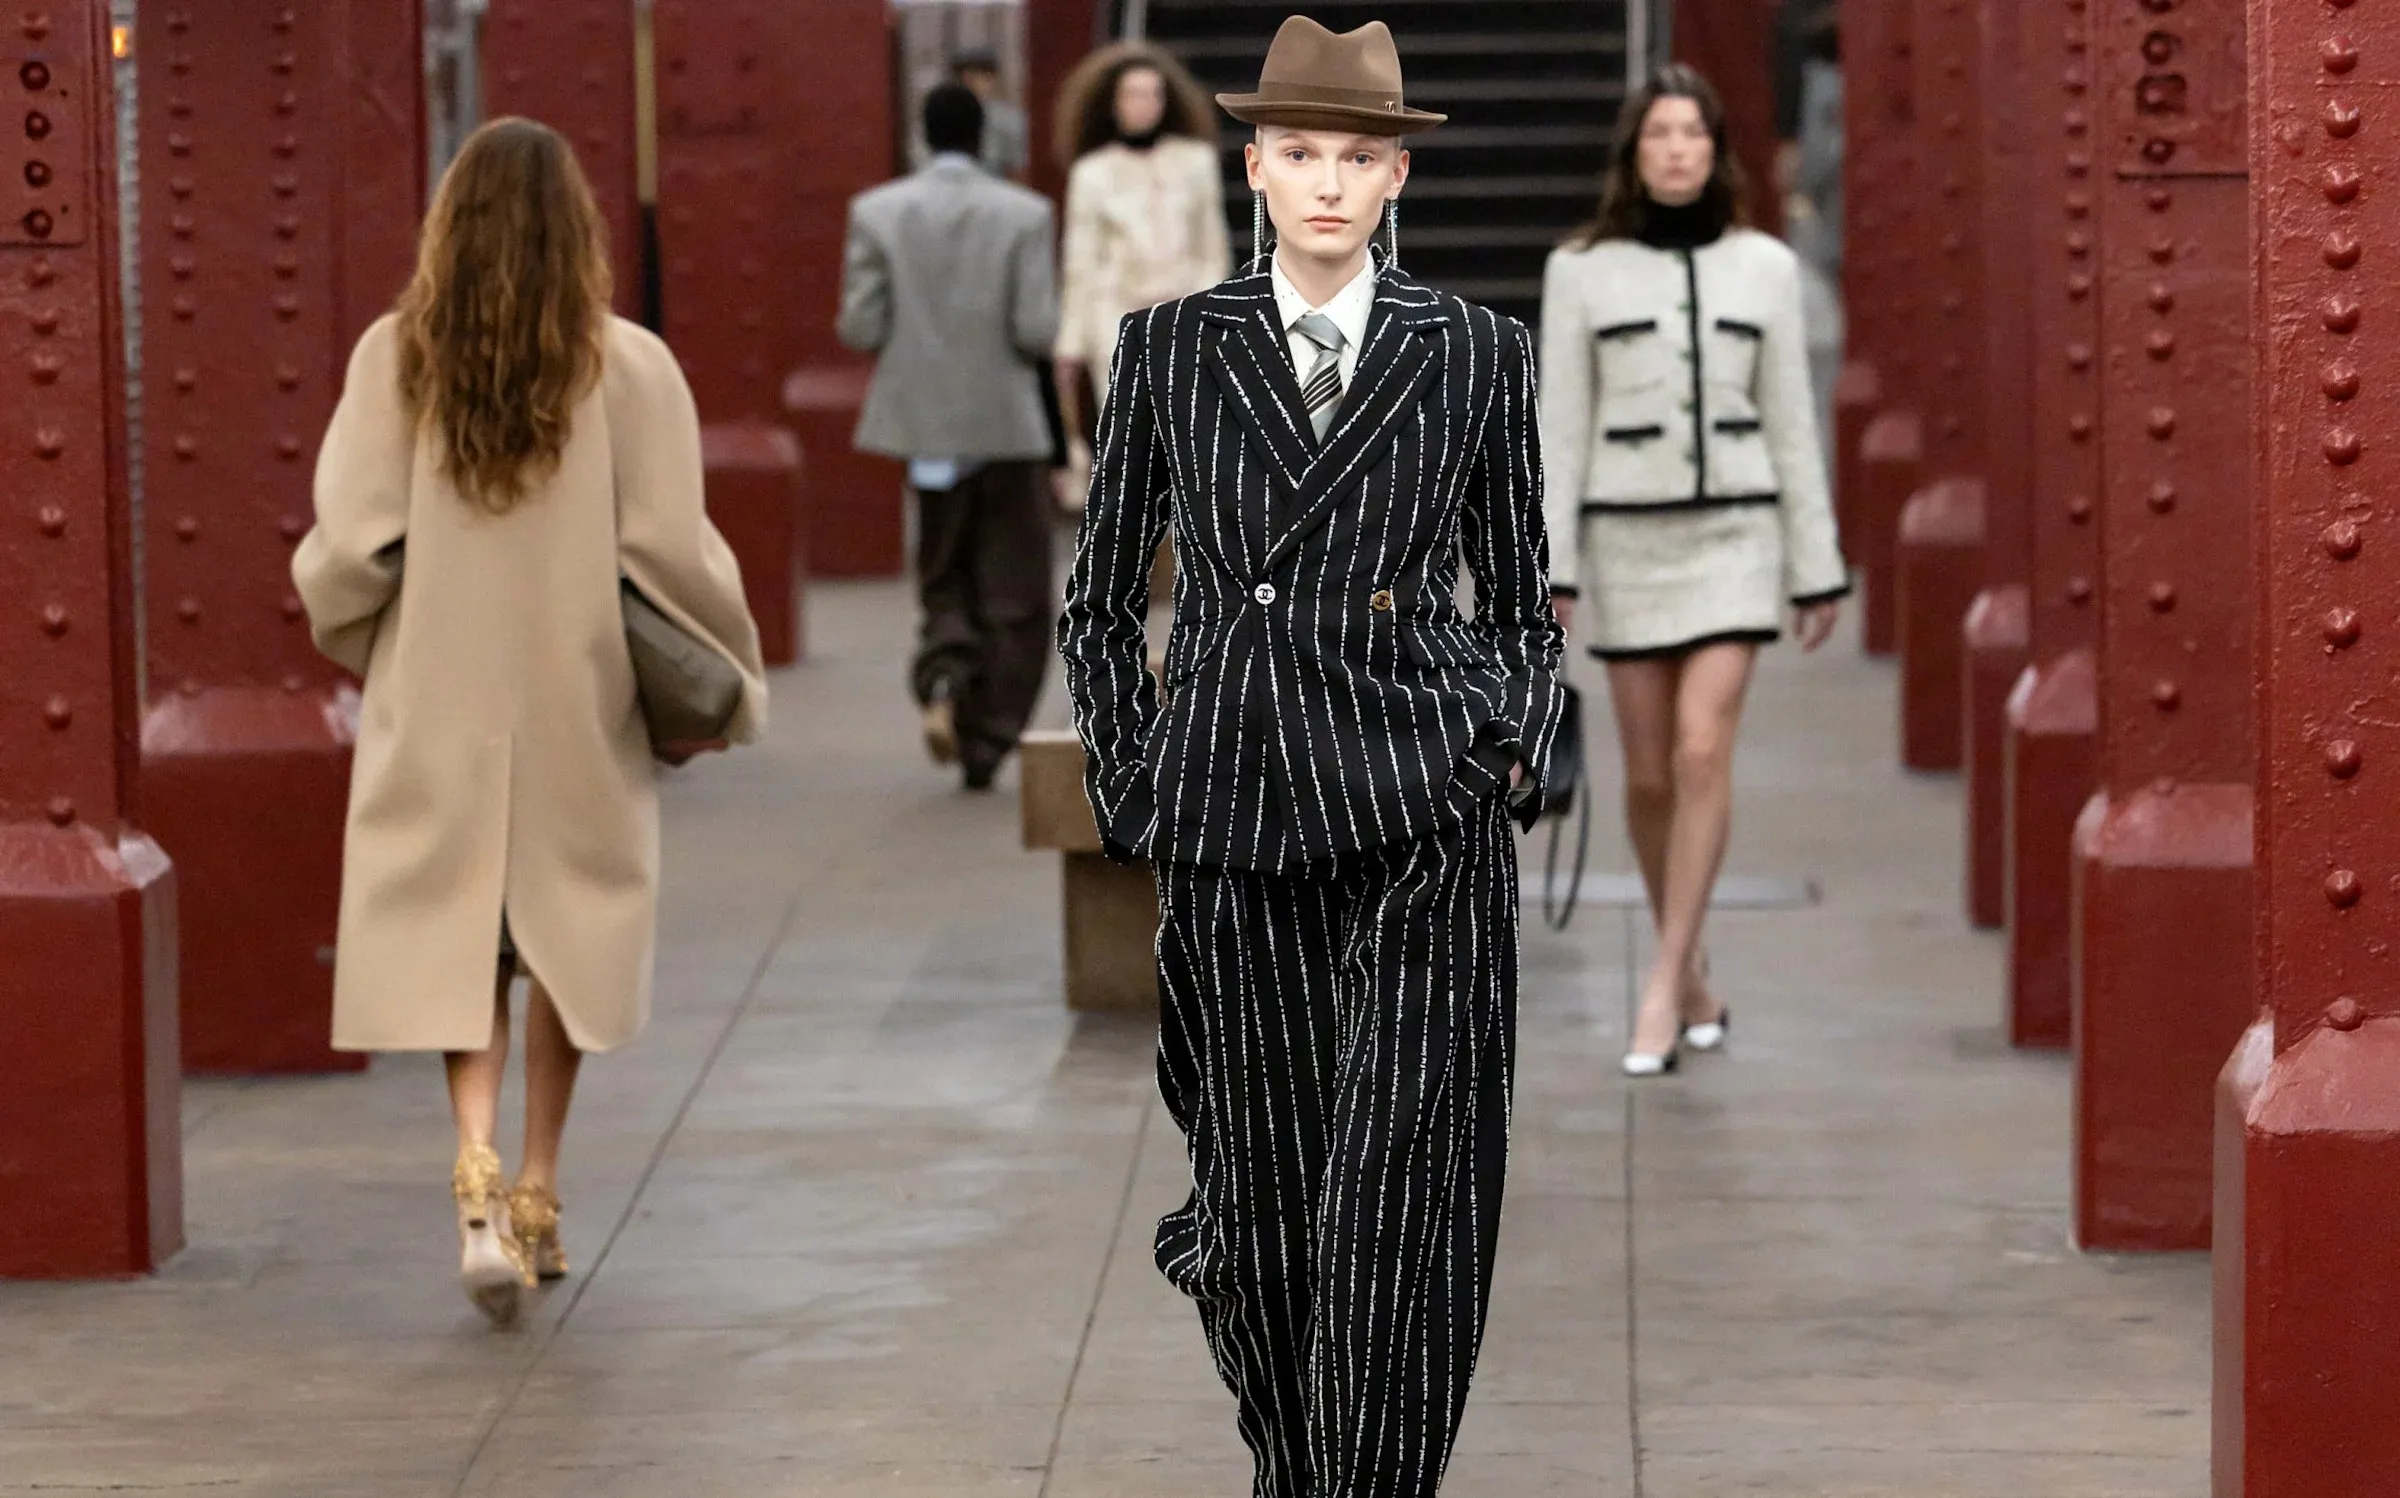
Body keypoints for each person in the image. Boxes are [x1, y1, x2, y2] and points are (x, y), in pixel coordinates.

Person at [1057, 18, 1564, 1497]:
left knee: (1406, 1202)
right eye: (1301, 155)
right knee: (1262, 1212)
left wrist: (1499, 754)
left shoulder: (1475, 352)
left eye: (1358, 156)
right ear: (1255, 165)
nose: (1329, 183)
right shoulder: (1167, 348)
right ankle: (1308, 1467)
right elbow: (1098, 600)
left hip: (1420, 811)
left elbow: (1521, 593)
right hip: (1228, 813)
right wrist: (1136, 782)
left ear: (1398, 173)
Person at [293, 118, 768, 1324]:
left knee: (461, 940)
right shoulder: (632, 367)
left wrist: (373, 633)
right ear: (581, 232)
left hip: (438, 695)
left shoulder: (395, 359)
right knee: (569, 931)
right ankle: (545, 1186)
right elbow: (672, 554)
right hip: (578, 696)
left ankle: (473, 1182)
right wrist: (733, 670)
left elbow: (348, 553)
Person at [1537, 64, 1848, 1078]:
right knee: (1648, 772)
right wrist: (1555, 559)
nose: (1677, 149)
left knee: (1704, 748)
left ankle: (1663, 984)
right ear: (1635, 153)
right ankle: (1701, 971)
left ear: (1718, 153)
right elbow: (1562, 427)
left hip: (1737, 538)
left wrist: (1817, 564)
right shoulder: (1580, 270)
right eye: (1659, 133)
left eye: (1694, 135)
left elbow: (1794, 421)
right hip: (1625, 541)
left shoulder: (1764, 267)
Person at [838, 83, 1060, 790]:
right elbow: (1035, 329)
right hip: (1005, 425)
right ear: (982, 137)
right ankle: (989, 734)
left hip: (925, 427)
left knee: (941, 570)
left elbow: (860, 327)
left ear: (924, 136)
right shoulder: (1026, 215)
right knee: (1015, 586)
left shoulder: (876, 213)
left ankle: (944, 678)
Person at [1051, 39, 1229, 507]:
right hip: (1115, 319)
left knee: (1193, 448)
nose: (1143, 104)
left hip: (1186, 314)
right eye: (1132, 94)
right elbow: (1080, 259)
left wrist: (1212, 312)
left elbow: (1212, 246)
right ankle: (1137, 567)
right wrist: (1070, 342)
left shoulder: (1195, 163)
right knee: (1131, 453)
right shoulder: (1092, 173)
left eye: (1153, 94)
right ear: (1112, 103)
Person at [951, 49, 1029, 179]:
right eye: (964, 78)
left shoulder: (1008, 119)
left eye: (978, 76)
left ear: (992, 79)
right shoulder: (947, 117)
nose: (970, 83)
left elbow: (1019, 168)